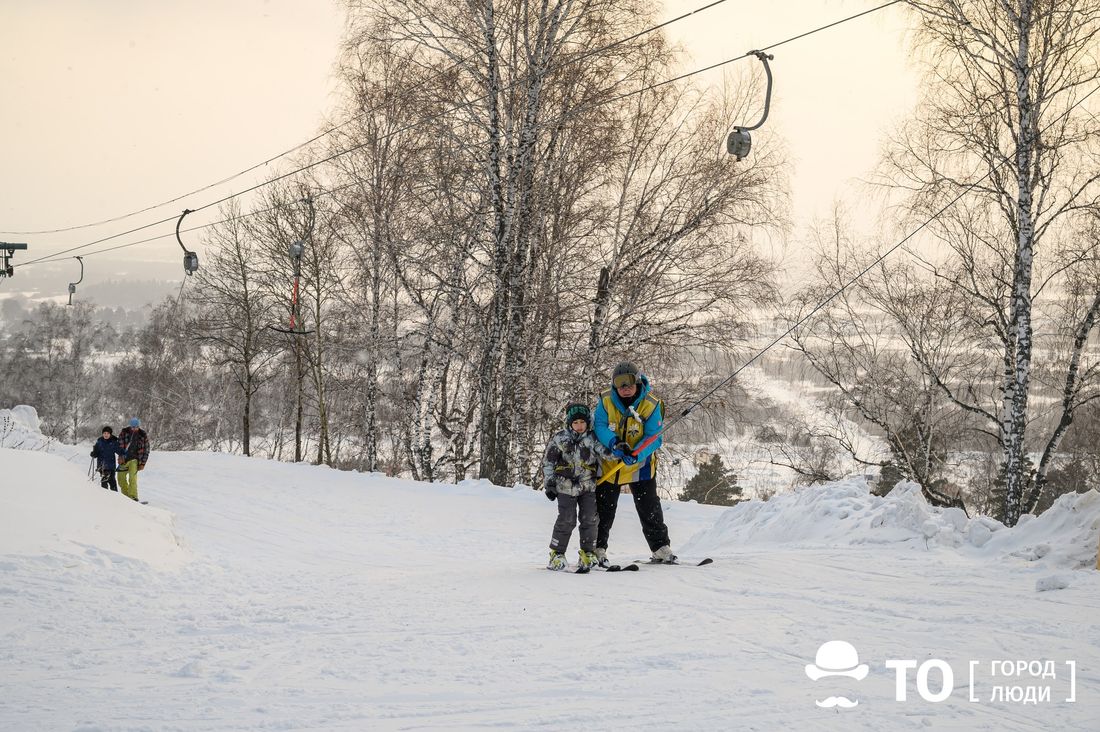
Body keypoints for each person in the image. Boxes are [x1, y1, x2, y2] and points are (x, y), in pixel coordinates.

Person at [593, 361, 676, 565]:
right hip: (611, 464)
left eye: (629, 382)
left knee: (649, 507)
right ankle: (597, 548)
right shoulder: (605, 401)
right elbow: (600, 426)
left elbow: (654, 437)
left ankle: (660, 547)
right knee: (604, 509)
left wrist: (637, 454)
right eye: (620, 384)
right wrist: (614, 443)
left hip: (641, 465)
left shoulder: (652, 403)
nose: (625, 388)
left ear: (637, 381)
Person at [543, 402, 615, 571]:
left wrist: (619, 450)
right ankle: (557, 553)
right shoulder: (560, 439)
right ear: (569, 423)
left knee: (590, 519)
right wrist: (550, 483)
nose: (579, 426)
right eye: (576, 422)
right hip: (564, 487)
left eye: (582, 422)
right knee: (567, 519)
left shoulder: (592, 439)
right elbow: (548, 462)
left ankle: (588, 552)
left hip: (587, 487)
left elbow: (606, 453)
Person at [116, 417, 149, 502]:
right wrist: (120, 456)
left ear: (139, 426)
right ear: (130, 426)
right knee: (121, 480)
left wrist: (143, 463)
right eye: (133, 427)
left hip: (134, 460)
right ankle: (126, 498)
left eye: (136, 427)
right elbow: (119, 445)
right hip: (124, 460)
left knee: (132, 479)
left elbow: (146, 450)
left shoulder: (143, 435)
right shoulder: (124, 433)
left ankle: (133, 497)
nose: (134, 429)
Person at [89, 425, 120, 492]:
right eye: (104, 433)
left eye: (108, 433)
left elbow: (120, 451)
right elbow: (96, 453)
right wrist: (93, 454)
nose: (106, 435)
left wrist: (124, 454)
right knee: (104, 481)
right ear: (102, 434)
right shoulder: (99, 442)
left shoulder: (113, 442)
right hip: (102, 465)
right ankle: (104, 496)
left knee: (112, 481)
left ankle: (115, 497)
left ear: (110, 434)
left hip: (111, 466)